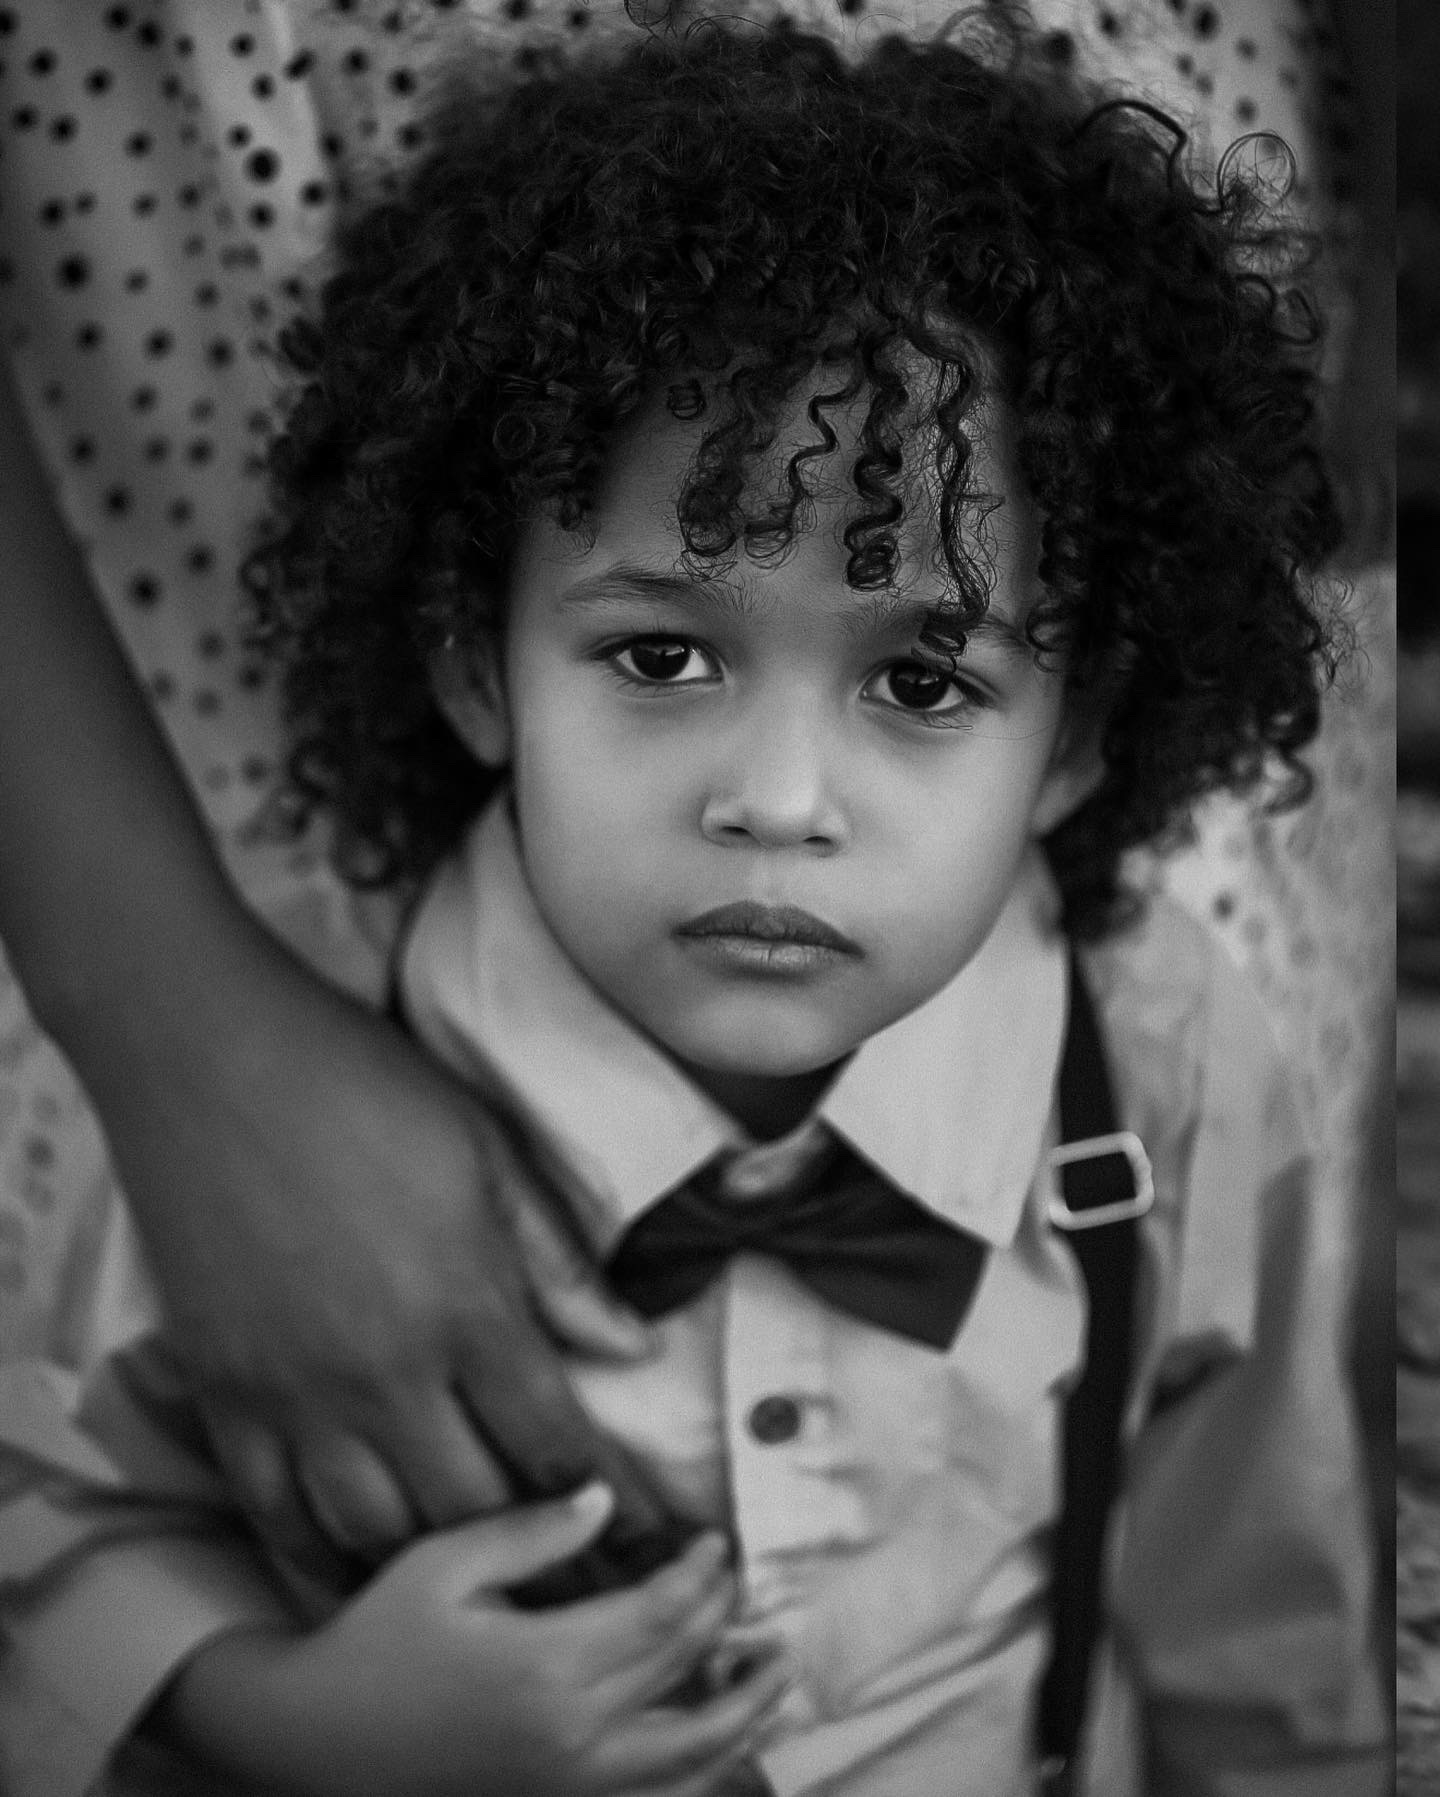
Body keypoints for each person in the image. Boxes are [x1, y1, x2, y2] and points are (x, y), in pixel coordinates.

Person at [0, 18, 1387, 1796]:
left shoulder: (1171, 1066)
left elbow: (1257, 1621)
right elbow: (56, 1529)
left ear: (1074, 745)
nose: (781, 800)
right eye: (662, 652)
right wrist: (303, 1714)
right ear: (477, 671)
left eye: (920, 682)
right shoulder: (290, 1047)